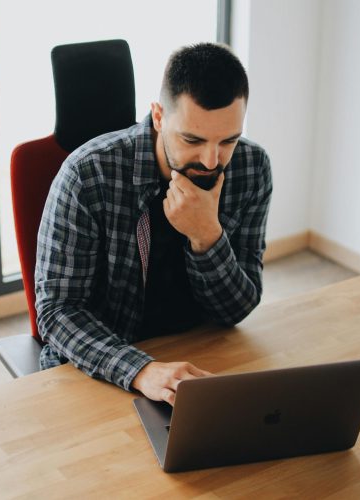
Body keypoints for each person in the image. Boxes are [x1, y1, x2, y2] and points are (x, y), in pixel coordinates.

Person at [35, 42, 272, 406]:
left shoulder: (252, 168)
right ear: (159, 116)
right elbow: (56, 313)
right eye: (192, 139)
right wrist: (141, 370)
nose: (211, 161)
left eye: (228, 140)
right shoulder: (87, 175)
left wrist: (206, 235)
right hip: (101, 367)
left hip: (197, 358)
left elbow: (236, 310)